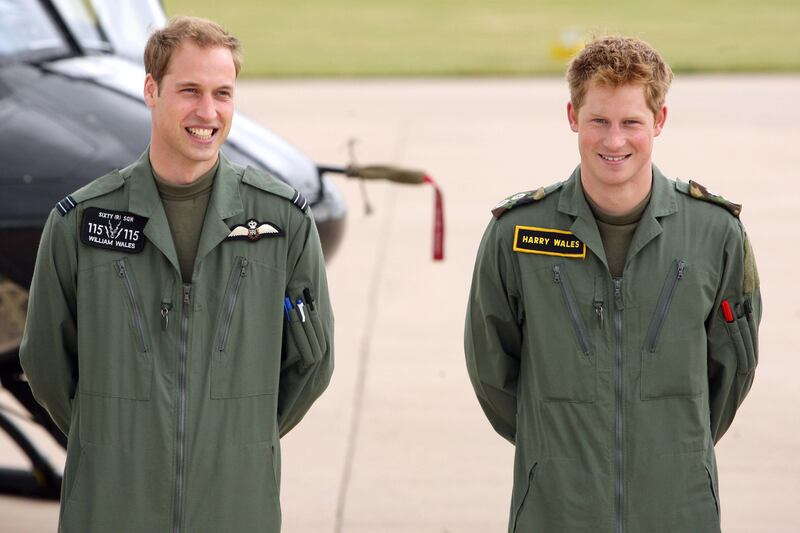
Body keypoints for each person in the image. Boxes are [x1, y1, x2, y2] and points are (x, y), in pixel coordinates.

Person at [20, 16, 333, 532]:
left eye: (223, 93)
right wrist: (116, 439)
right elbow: (46, 361)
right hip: (112, 503)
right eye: (189, 90)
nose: (207, 112)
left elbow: (312, 362)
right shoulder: (80, 221)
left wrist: (238, 435)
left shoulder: (283, 222)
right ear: (151, 90)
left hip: (235, 503)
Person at [464, 36, 760, 533]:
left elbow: (733, 368)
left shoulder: (716, 233)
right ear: (572, 116)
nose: (614, 140)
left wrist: (673, 446)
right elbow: (492, 369)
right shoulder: (516, 234)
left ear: (659, 121)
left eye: (631, 123)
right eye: (598, 120)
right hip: (555, 509)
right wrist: (552, 445)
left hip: (678, 506)